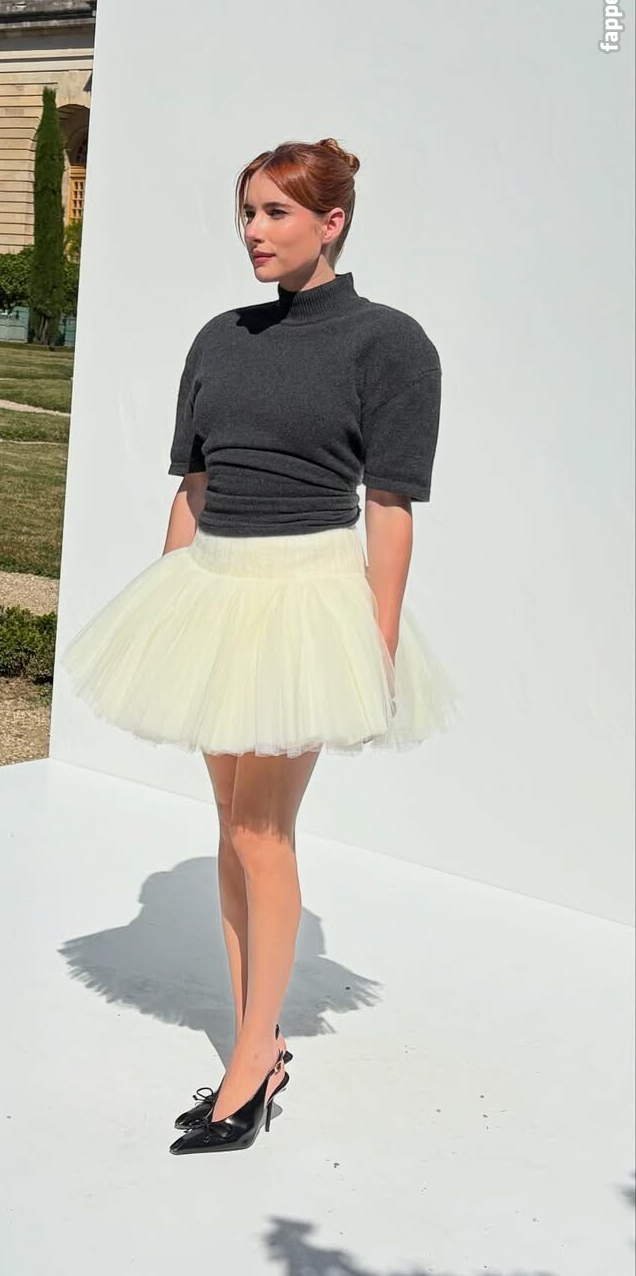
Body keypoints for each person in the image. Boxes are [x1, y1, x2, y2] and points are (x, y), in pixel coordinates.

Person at [60, 137, 462, 1156]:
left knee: (260, 829)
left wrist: (376, 641)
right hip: (213, 590)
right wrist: (166, 607)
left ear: (332, 222)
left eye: (276, 212)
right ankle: (260, 1041)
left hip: (306, 601)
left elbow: (391, 508)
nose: (253, 231)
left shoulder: (391, 344)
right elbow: (193, 488)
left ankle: (250, 1063)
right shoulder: (219, 338)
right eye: (246, 212)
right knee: (231, 824)